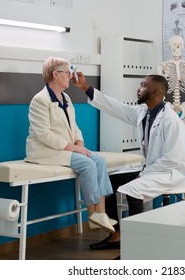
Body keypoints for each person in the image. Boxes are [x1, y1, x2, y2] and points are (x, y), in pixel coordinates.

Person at [72, 73, 185, 250]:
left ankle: (136, 246)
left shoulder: (171, 120)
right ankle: (116, 235)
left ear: (156, 92)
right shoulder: (144, 113)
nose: (138, 89)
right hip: (151, 170)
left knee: (134, 189)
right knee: (110, 182)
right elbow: (116, 107)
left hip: (169, 173)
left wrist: (142, 174)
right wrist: (85, 87)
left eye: (143, 85)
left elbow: (172, 159)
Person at [25, 56, 116, 233]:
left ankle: (100, 212)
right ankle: (92, 214)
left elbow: (74, 126)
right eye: (67, 72)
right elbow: (44, 134)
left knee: (99, 161)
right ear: (55, 75)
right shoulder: (40, 100)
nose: (70, 76)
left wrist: (79, 143)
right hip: (45, 151)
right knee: (88, 164)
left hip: (65, 149)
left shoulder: (65, 97)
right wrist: (74, 148)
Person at [160, 35, 185, 143]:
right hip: (170, 106)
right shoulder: (164, 66)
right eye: (175, 45)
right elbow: (160, 86)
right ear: (170, 47)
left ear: (182, 47)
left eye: (180, 45)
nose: (177, 47)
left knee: (181, 138)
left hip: (183, 106)